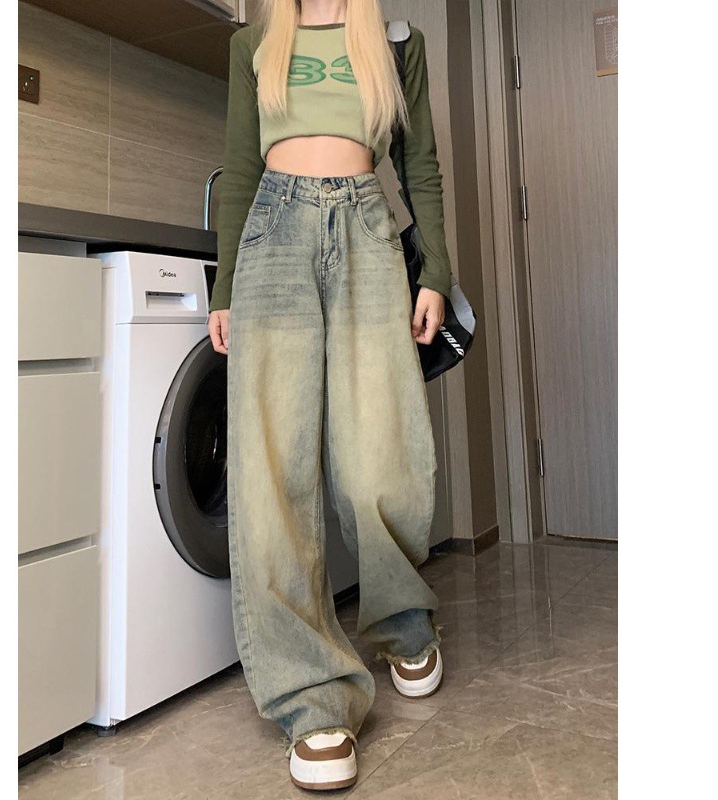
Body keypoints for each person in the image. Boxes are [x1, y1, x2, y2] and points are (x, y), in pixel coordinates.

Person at [207, 0, 457, 790]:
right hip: (273, 236)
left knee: (381, 450)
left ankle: (403, 621)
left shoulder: (396, 42)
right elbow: (240, 168)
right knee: (274, 471)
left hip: (367, 232)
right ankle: (311, 698)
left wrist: (436, 271)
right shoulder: (253, 42)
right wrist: (224, 285)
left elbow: (420, 165)